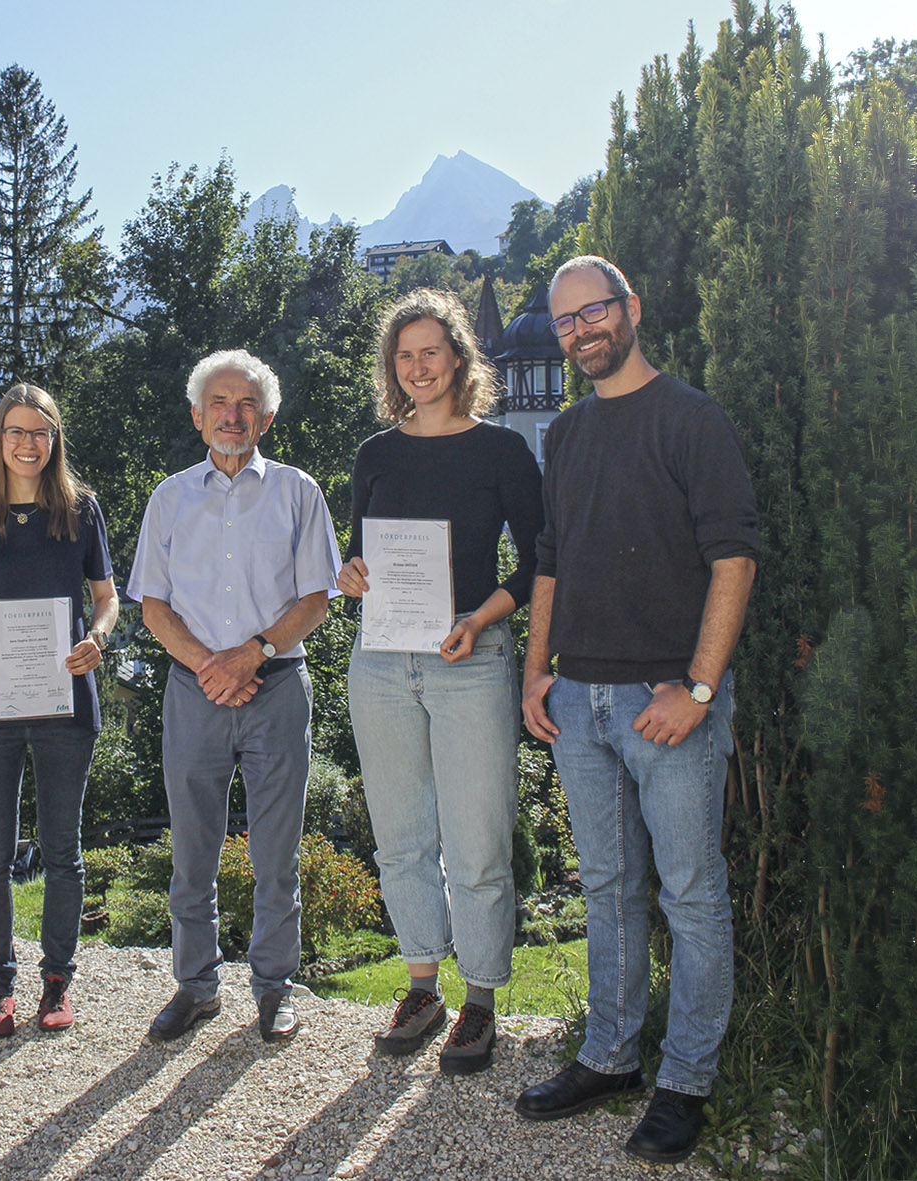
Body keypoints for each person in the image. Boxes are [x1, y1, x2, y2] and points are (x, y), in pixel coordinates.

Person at [513, 256, 759, 1163]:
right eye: (566, 321)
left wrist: (696, 688)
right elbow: (549, 556)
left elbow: (734, 558)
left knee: (692, 895)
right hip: (578, 701)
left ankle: (686, 1080)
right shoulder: (567, 434)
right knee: (610, 890)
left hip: (668, 705)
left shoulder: (694, 420)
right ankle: (610, 1056)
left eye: (595, 312)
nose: (581, 331)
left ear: (632, 310)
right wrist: (535, 673)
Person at [337, 288, 543, 1074]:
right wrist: (350, 575)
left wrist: (483, 615)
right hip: (382, 661)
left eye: (432, 351)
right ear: (394, 368)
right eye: (404, 355)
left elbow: (535, 560)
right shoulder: (375, 454)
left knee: (479, 838)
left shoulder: (501, 453)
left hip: (469, 657)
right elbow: (362, 557)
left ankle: (481, 1000)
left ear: (459, 357)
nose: (418, 367)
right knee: (401, 838)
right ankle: (422, 986)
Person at [127, 349, 341, 1045]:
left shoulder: (298, 491)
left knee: (276, 851)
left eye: (246, 403)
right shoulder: (169, 497)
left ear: (267, 418)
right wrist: (209, 666)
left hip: (277, 688)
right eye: (219, 402)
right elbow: (152, 605)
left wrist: (253, 653)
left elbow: (317, 600)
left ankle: (275, 988)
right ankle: (195, 986)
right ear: (197, 416)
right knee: (193, 850)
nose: (232, 414)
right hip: (194, 693)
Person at [0, 383, 118, 1039]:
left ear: (54, 440)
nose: (27, 443)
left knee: (63, 849)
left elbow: (107, 597)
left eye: (40, 432)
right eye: (16, 431)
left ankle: (57, 983)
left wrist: (97, 637)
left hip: (66, 700)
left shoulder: (81, 511)